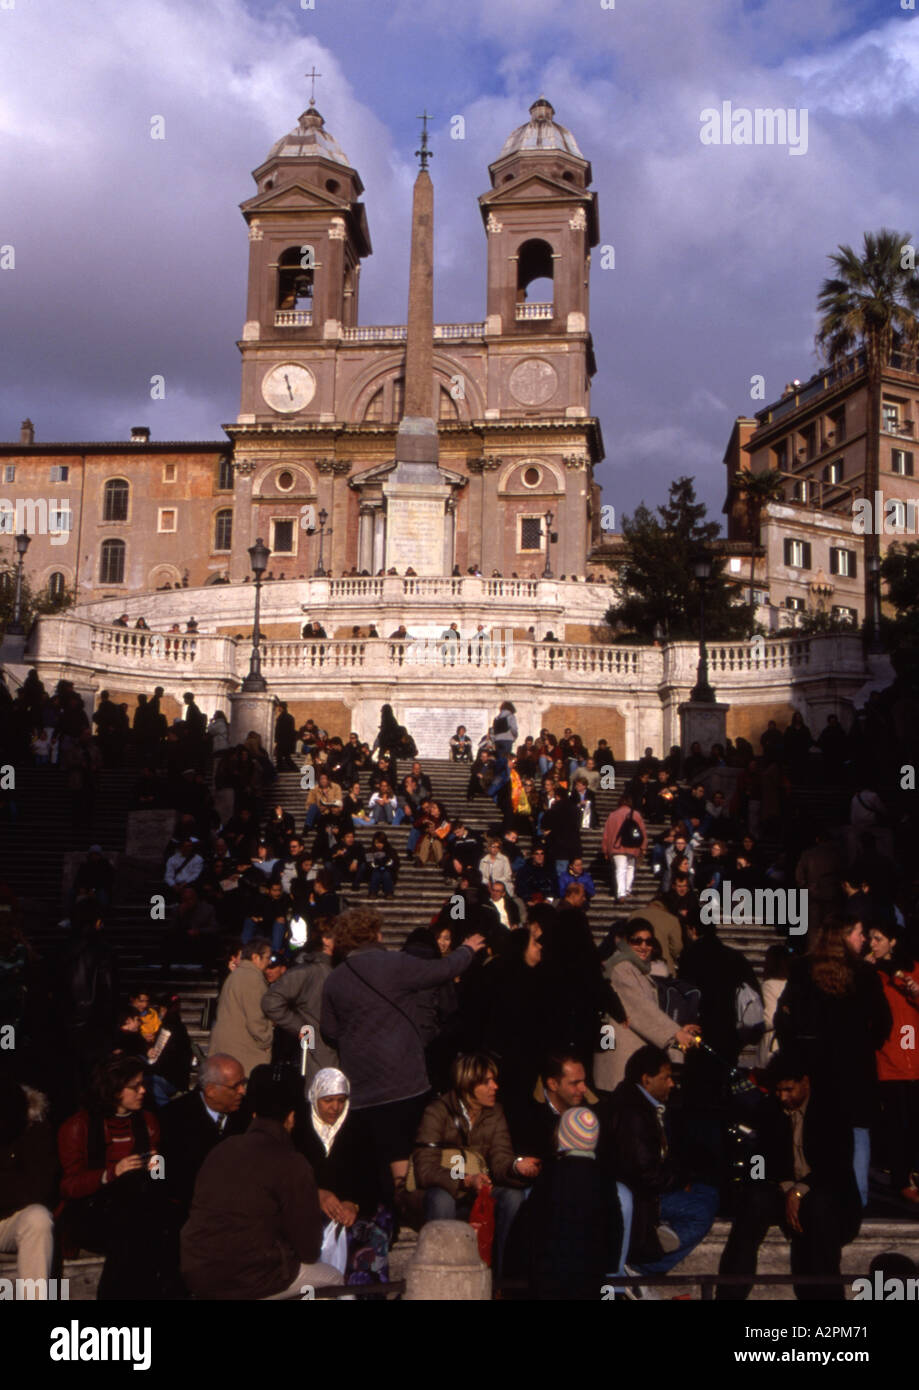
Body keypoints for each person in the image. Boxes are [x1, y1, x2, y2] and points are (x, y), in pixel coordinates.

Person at [320, 910, 484, 1209]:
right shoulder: (396, 964)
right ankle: (410, 1206)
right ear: (375, 934)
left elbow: (329, 1032)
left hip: (362, 1085)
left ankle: (377, 1215)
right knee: (402, 1152)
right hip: (405, 1078)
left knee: (373, 1155)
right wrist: (467, 949)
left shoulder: (335, 980)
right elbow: (442, 970)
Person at [181, 1064, 340, 1300]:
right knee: (333, 1279)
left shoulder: (222, 1150)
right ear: (291, 1117)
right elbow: (308, 1249)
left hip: (198, 1271)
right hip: (248, 1279)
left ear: (254, 1114)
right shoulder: (292, 1163)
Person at [717, 1053, 862, 1300]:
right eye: (779, 1090)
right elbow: (759, 1159)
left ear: (805, 1082)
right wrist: (780, 1186)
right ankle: (730, 1293)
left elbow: (836, 1166)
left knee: (818, 1209)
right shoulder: (768, 1109)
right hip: (782, 1189)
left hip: (825, 1195)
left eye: (789, 1089)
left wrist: (800, 1190)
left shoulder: (831, 1111)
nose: (783, 1097)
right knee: (752, 1204)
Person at [774, 914, 891, 1207]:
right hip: (854, 1068)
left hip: (813, 1067)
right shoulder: (864, 974)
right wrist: (864, 1045)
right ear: (844, 935)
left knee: (817, 1136)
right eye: (859, 933)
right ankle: (857, 1201)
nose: (863, 939)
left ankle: (815, 1198)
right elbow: (883, 1022)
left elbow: (784, 1018)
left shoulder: (802, 969)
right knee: (857, 1133)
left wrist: (796, 1052)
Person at [57, 1055, 182, 1300]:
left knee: (143, 1222)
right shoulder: (78, 1126)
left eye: (143, 1084)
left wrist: (158, 1166)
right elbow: (68, 1186)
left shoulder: (147, 1122)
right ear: (114, 1090)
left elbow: (161, 1179)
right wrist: (112, 1173)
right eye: (135, 1086)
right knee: (139, 1225)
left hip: (138, 1212)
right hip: (91, 1211)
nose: (143, 1091)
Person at [602, 1045, 718, 1291]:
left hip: (648, 1190)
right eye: (666, 1078)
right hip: (642, 1196)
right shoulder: (632, 1112)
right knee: (701, 1209)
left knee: (706, 1193)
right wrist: (680, 1179)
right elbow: (646, 1174)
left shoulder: (642, 1104)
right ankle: (643, 1269)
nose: (671, 1084)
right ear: (646, 1079)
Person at [412, 1053, 539, 1278]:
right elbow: (425, 1169)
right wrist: (465, 1180)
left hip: (478, 1189)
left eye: (494, 1080)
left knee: (513, 1197)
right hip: (442, 1190)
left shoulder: (495, 1113)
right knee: (442, 1199)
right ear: (468, 1085)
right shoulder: (437, 1112)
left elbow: (500, 1158)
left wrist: (515, 1167)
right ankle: (442, 1277)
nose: (495, 1087)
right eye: (487, 1082)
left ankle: (500, 1280)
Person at [511, 1106, 623, 1301]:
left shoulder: (551, 1173)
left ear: (563, 1137)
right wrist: (609, 1263)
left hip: (551, 1271)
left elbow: (530, 1221)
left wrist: (521, 1264)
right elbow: (615, 1224)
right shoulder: (604, 1178)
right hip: (590, 1270)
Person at [296, 1069, 392, 1283]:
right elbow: (287, 1173)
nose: (335, 1108)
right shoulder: (298, 1126)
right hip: (307, 1203)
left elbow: (374, 1177)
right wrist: (316, 1194)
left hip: (351, 1207)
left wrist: (354, 1204)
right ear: (315, 1097)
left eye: (341, 1100)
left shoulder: (359, 1127)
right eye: (328, 1101)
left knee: (368, 1235)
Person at [593, 922, 695, 1096]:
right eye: (637, 941)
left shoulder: (638, 968)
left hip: (628, 1054)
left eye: (649, 942)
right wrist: (675, 1033)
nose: (644, 946)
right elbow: (640, 1008)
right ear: (626, 941)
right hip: (619, 1058)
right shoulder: (620, 967)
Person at [865, 922, 919, 1203]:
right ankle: (901, 1178)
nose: (872, 943)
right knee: (898, 1124)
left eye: (879, 938)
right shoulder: (871, 973)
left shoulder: (912, 970)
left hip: (914, 1057)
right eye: (870, 938)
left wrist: (912, 988)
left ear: (893, 941)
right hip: (889, 1059)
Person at [158, 1054, 247, 1218]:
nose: (242, 1091)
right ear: (211, 1090)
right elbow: (162, 1172)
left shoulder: (248, 1116)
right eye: (236, 1086)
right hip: (188, 1213)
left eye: (244, 1083)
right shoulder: (173, 1118)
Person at [0, 1080, 57, 1295]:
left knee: (38, 1218)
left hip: (12, 1221)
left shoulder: (35, 1128)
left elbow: (39, 1188)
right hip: (11, 1204)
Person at [262, 924, 339, 1081]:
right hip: (317, 1051)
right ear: (326, 940)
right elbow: (271, 1002)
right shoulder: (308, 971)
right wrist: (304, 1029)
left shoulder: (339, 967)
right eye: (339, 936)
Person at [208, 938, 274, 1077]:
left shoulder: (236, 975)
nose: (270, 962)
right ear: (256, 957)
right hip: (242, 1050)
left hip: (227, 1047)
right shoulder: (252, 978)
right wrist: (266, 1040)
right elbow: (256, 1018)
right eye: (267, 957)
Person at [602, 794, 647, 902]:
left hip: (616, 846)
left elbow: (606, 834)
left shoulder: (612, 815)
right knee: (630, 868)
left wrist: (605, 850)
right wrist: (643, 846)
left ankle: (621, 893)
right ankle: (627, 889)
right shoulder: (636, 814)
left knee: (620, 869)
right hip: (633, 846)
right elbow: (642, 832)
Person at [274, 701, 298, 772]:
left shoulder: (282, 718)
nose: (278, 708)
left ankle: (292, 768)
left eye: (279, 707)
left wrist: (277, 739)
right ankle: (282, 768)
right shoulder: (290, 717)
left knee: (283, 756)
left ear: (281, 707)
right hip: (286, 741)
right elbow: (292, 731)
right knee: (284, 756)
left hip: (283, 741)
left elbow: (279, 730)